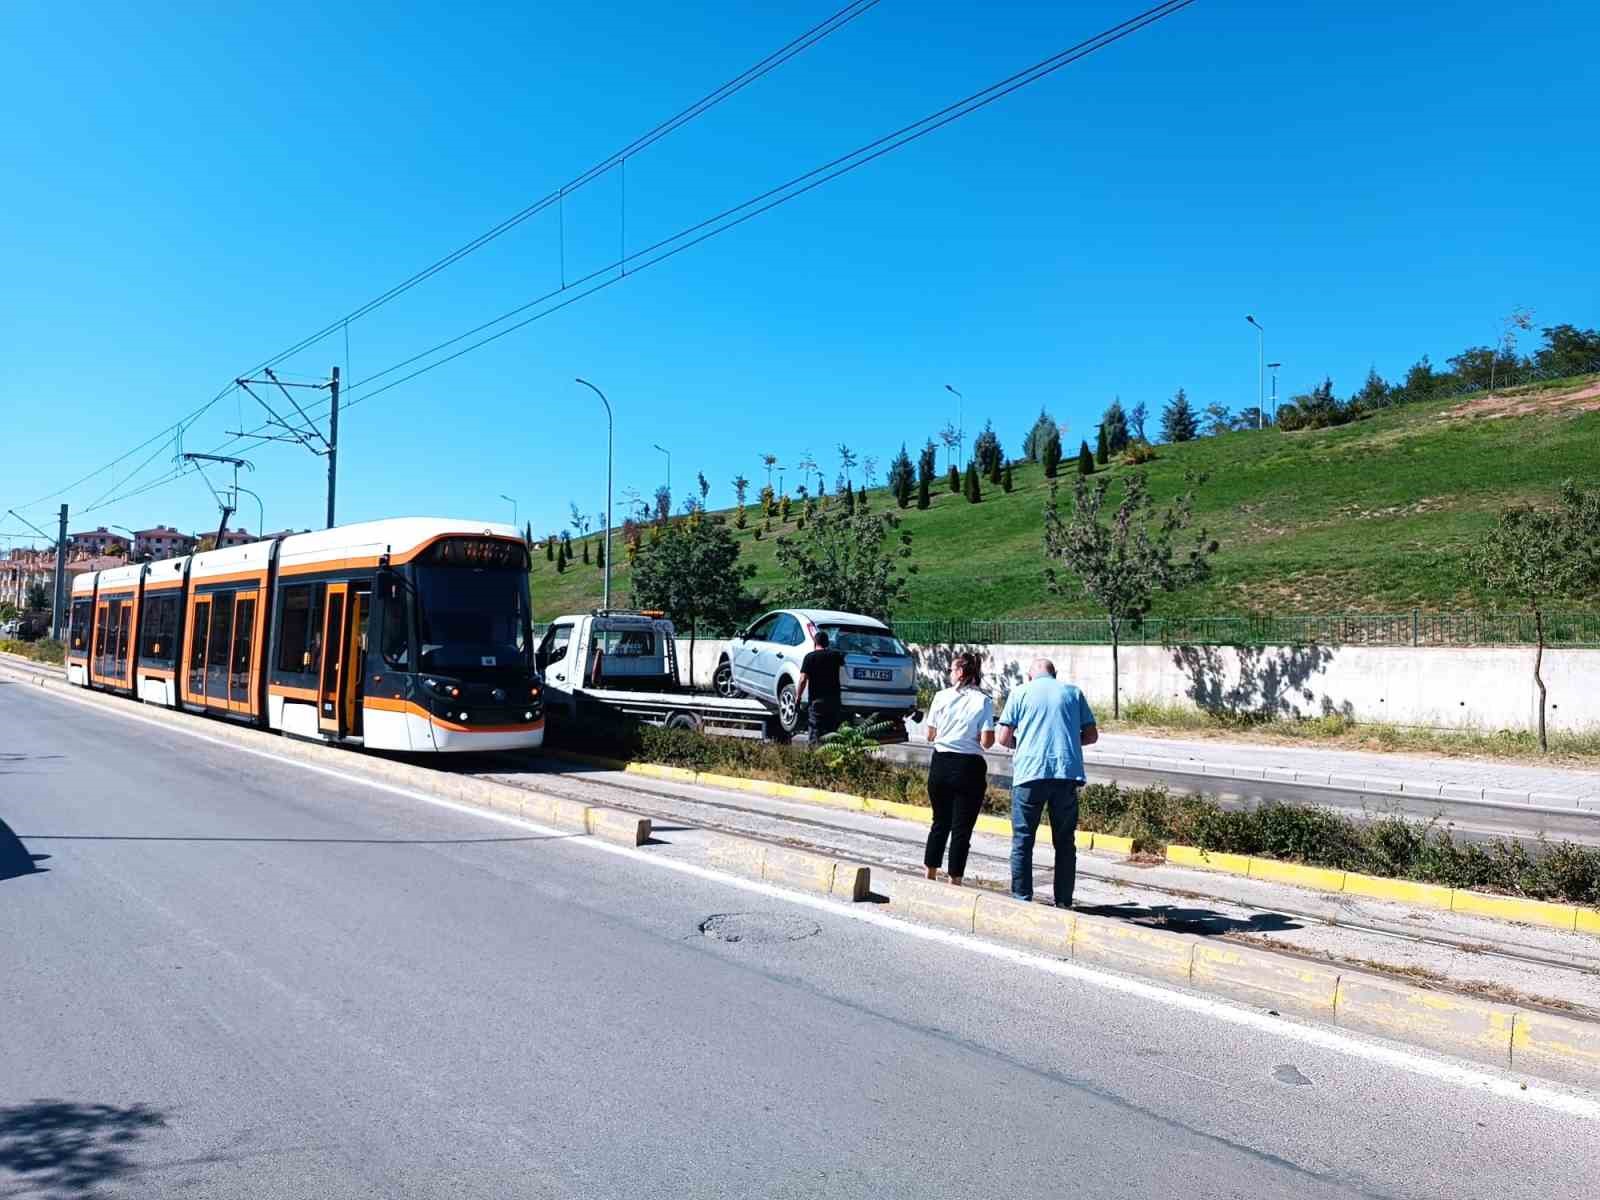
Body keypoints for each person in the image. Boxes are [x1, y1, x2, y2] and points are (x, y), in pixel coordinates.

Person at [996, 657, 1098, 907]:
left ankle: (1022, 898)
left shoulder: (1020, 692)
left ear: (1030, 676)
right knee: (1064, 843)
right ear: (1055, 674)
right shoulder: (1073, 692)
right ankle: (1063, 902)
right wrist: (1070, 743)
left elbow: (1003, 737)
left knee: (1023, 839)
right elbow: (1092, 735)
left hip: (1029, 774)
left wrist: (1024, 744)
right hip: (1066, 774)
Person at [921, 651, 995, 886]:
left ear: (961, 672)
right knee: (961, 828)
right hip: (968, 766)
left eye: (952, 670)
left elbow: (930, 735)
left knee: (939, 821)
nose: (950, 674)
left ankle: (930, 872)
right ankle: (955, 879)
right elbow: (986, 741)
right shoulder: (983, 701)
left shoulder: (940, 697)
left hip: (941, 763)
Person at [795, 630, 845, 742]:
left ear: (815, 642)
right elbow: (844, 672)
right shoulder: (836, 656)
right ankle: (831, 756)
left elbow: (803, 679)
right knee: (832, 731)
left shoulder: (809, 657)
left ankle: (815, 756)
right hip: (834, 700)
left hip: (817, 701)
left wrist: (798, 697)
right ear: (827, 643)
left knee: (815, 730)